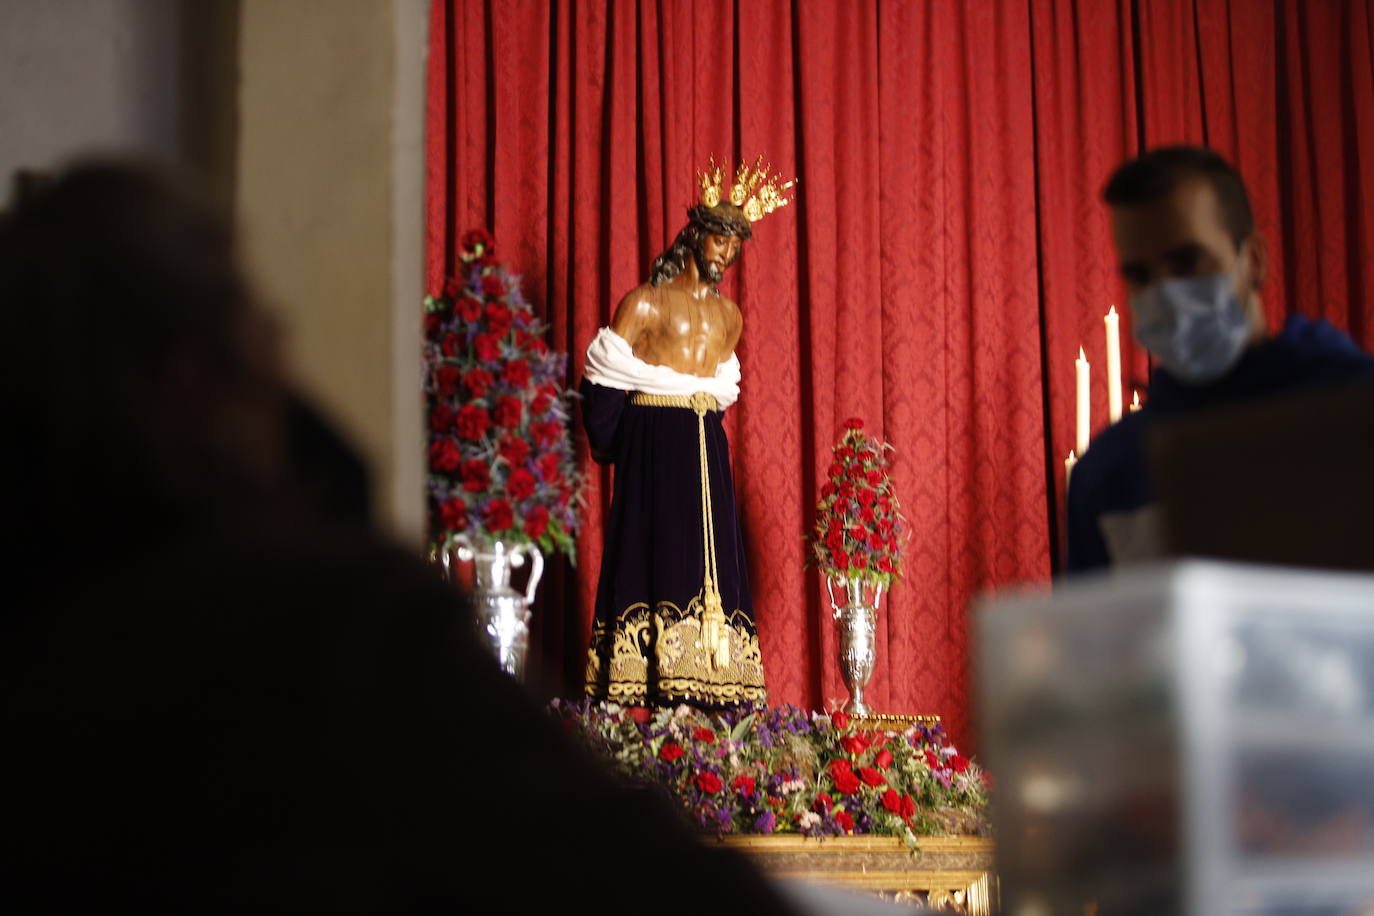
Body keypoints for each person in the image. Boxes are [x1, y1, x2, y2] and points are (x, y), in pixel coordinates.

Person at [0, 160, 809, 914]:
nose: (279, 344)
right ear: (194, 373)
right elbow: (606, 856)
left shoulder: (44, 658)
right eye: (253, 314)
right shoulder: (337, 614)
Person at [1066, 146, 1374, 573]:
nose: (1166, 293)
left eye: (1187, 260)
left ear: (1254, 261)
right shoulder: (1107, 472)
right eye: (1140, 275)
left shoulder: (1350, 408)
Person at [580, 157, 792, 709]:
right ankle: (646, 694)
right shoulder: (644, 303)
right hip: (657, 450)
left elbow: (720, 396)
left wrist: (695, 435)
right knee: (659, 561)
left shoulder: (730, 318)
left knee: (713, 569)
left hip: (706, 450)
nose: (725, 255)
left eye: (734, 247)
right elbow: (602, 387)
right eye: (718, 241)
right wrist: (634, 446)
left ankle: (714, 705)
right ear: (695, 233)